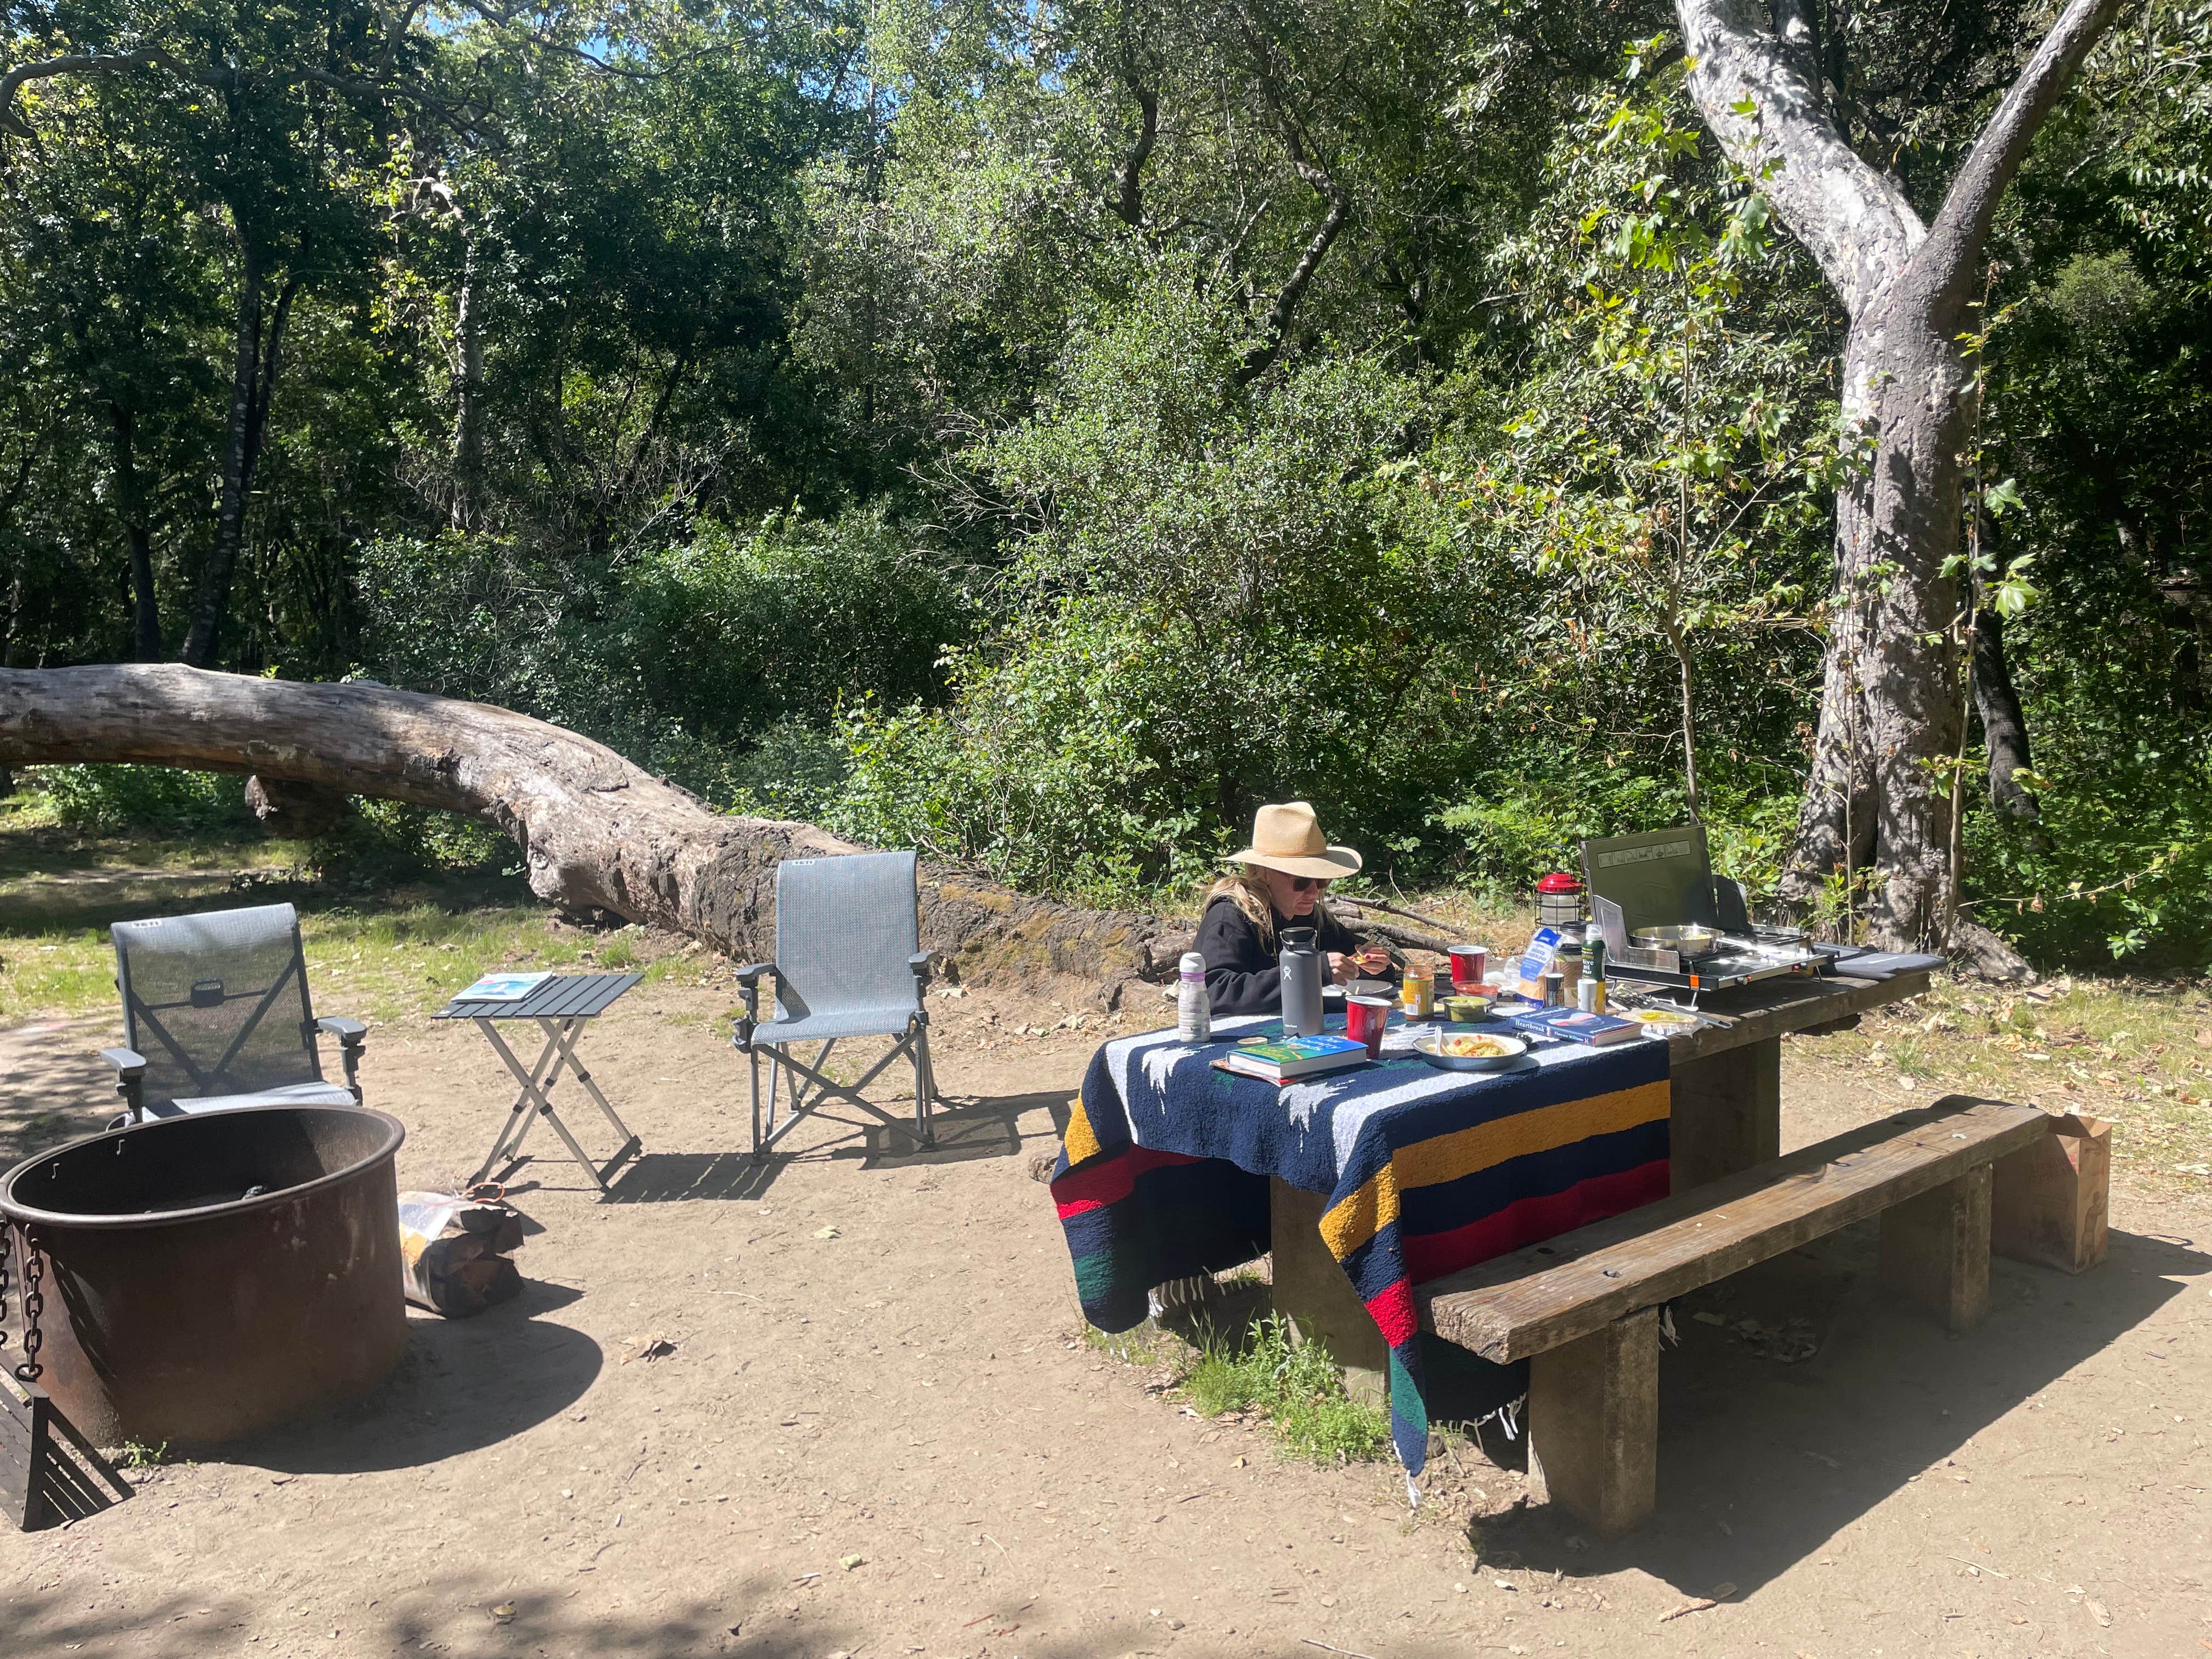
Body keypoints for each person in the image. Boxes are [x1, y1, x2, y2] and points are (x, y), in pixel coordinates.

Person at [1196, 801, 1398, 1018]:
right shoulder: (1231, 916)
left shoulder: (1313, 918)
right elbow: (1214, 993)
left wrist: (1376, 965)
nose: (1313, 893)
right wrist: (1309, 971)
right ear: (1262, 873)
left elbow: (1366, 976)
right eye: (1301, 881)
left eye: (1321, 881)